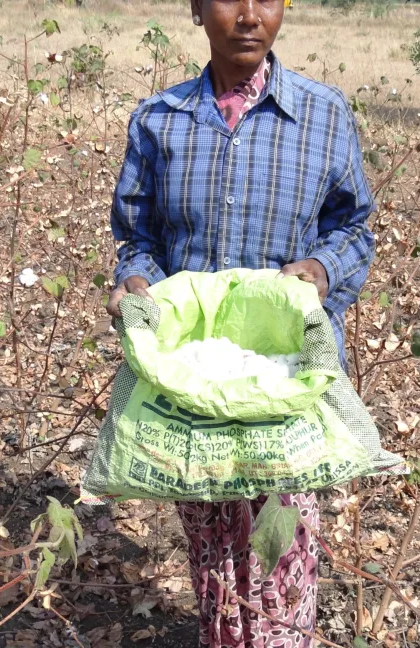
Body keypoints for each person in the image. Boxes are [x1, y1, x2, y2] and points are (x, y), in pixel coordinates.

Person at [105, 0, 375, 645]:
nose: (250, 15)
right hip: (192, 385)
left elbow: (354, 227)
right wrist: (137, 282)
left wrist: (321, 267)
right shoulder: (160, 120)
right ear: (198, 9)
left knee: (282, 551)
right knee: (212, 549)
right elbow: (137, 237)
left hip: (285, 384)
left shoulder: (322, 113)